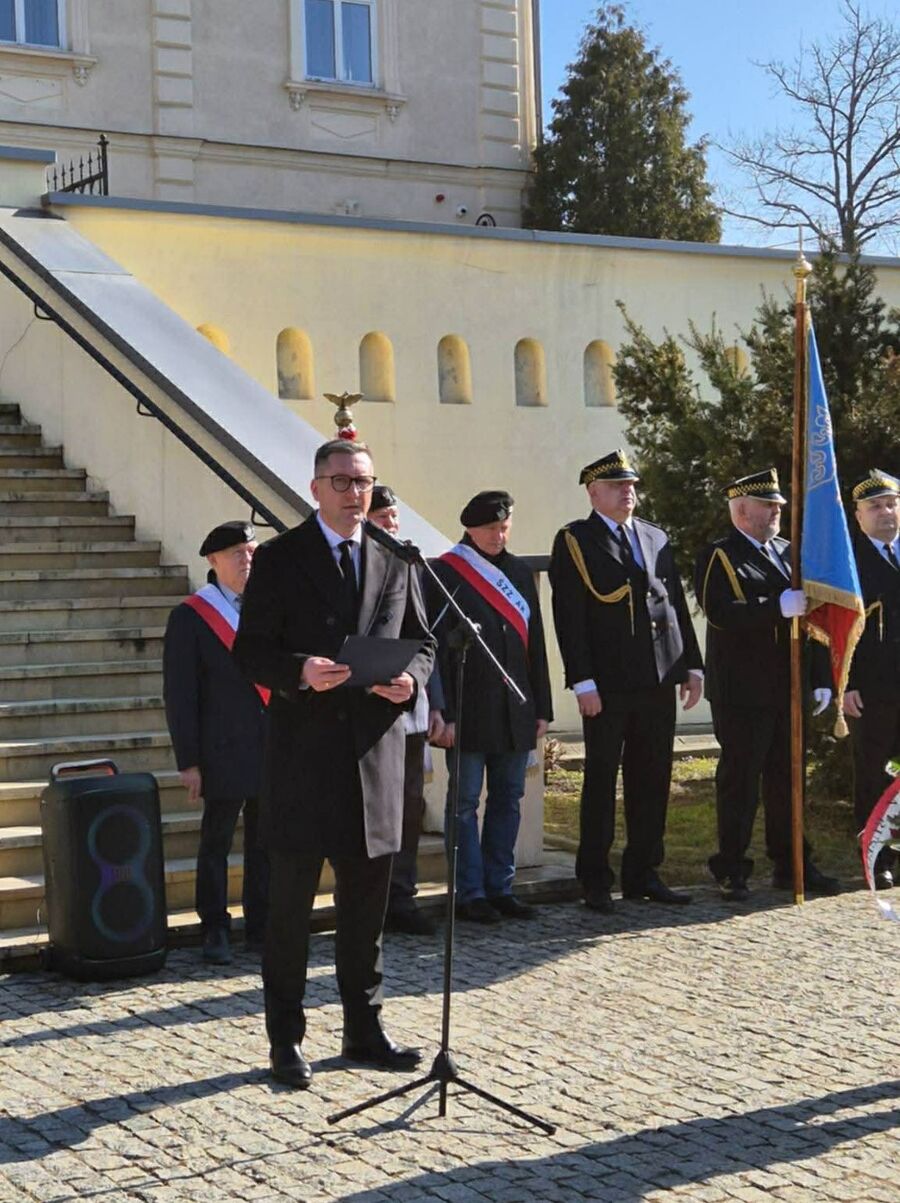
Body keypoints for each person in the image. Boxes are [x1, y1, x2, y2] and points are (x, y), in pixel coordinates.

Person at [233, 439, 434, 1090]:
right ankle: (285, 1041)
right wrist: (300, 670)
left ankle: (363, 1028)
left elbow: (423, 643)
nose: (356, 494)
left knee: (364, 913)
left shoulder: (395, 557)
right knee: (290, 913)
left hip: (372, 760)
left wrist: (408, 676)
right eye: (343, 482)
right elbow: (251, 651)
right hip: (303, 761)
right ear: (315, 486)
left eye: (366, 482)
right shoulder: (283, 558)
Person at [549, 449, 703, 914]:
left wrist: (691, 665)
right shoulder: (577, 540)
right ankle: (595, 878)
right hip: (609, 682)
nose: (628, 492)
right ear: (594, 493)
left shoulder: (655, 536)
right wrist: (582, 681)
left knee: (653, 777)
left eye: (631, 485)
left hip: (658, 677)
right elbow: (569, 616)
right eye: (618, 486)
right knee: (600, 779)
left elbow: (674, 604)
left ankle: (643, 871)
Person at [694, 468, 839, 901]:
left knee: (788, 778)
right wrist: (775, 606)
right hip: (742, 688)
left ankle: (792, 859)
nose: (777, 511)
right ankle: (731, 866)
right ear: (741, 509)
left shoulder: (789, 552)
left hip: (788, 686)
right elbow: (720, 612)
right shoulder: (720, 555)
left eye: (778, 505)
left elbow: (810, 621)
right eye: (768, 505)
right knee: (740, 780)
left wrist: (819, 679)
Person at [430, 490, 553, 923]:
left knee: (509, 798)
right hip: (468, 708)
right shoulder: (445, 572)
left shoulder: (519, 571)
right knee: (463, 803)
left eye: (504, 528)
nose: (498, 535)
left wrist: (543, 707)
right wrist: (441, 711)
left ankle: (501, 886)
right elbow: (436, 651)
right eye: (490, 529)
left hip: (515, 708)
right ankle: (470, 891)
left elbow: (533, 645)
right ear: (470, 528)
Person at [163, 520, 269, 965]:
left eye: (252, 551)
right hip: (220, 748)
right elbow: (180, 695)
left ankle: (261, 926)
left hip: (270, 745)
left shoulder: (268, 606)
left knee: (267, 842)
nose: (247, 560)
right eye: (237, 554)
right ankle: (215, 927)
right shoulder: (192, 615)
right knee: (216, 843)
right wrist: (189, 761)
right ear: (213, 561)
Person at [367, 484, 445, 936]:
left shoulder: (411, 566)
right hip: (368, 707)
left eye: (394, 518)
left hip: (410, 705)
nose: (392, 526)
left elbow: (427, 640)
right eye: (383, 519)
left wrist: (436, 701)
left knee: (409, 805)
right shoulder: (357, 568)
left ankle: (402, 894)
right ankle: (372, 898)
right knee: (375, 806)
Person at [844, 469, 900, 889]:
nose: (885, 512)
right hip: (872, 689)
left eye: (891, 503)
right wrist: (844, 682)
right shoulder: (847, 562)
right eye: (875, 507)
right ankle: (875, 857)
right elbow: (832, 632)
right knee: (873, 772)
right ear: (858, 516)